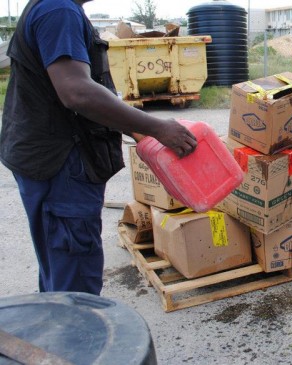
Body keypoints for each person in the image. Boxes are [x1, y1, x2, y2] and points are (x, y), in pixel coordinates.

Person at [0, 0, 197, 296]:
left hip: (49, 159)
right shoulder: (59, 10)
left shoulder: (58, 8)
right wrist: (157, 127)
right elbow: (77, 92)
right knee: (75, 283)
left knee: (59, 266)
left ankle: (58, 331)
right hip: (62, 165)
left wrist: (136, 129)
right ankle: (75, 339)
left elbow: (83, 88)